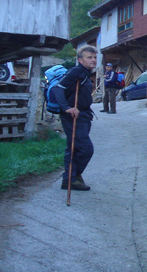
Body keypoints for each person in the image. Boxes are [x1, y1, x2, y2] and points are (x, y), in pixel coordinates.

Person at [53, 45, 97, 191]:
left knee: (73, 148)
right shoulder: (77, 71)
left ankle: (69, 179)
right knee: (86, 149)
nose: (93, 60)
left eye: (95, 57)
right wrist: (67, 108)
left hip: (83, 115)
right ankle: (73, 176)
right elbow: (58, 88)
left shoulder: (85, 73)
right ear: (80, 60)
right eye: (89, 57)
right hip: (73, 116)